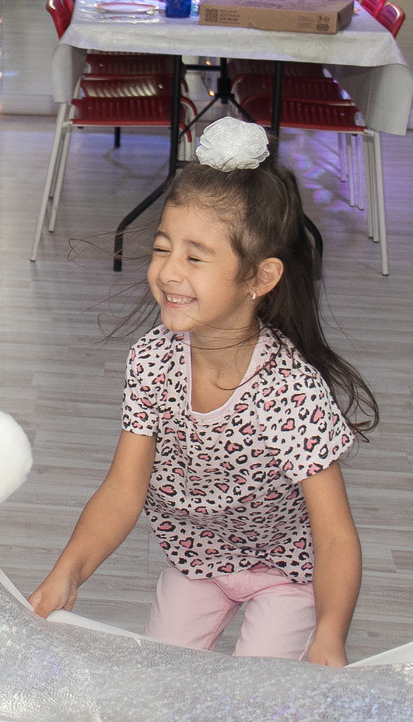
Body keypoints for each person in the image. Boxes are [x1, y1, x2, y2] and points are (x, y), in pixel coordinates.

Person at [29, 118, 379, 667]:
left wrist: (329, 636)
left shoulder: (291, 393)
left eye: (195, 258)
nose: (167, 272)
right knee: (161, 688)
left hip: (286, 574)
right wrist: (66, 572)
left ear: (260, 279)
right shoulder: (152, 360)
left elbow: (335, 536)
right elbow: (124, 489)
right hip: (197, 559)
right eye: (162, 248)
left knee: (253, 700)